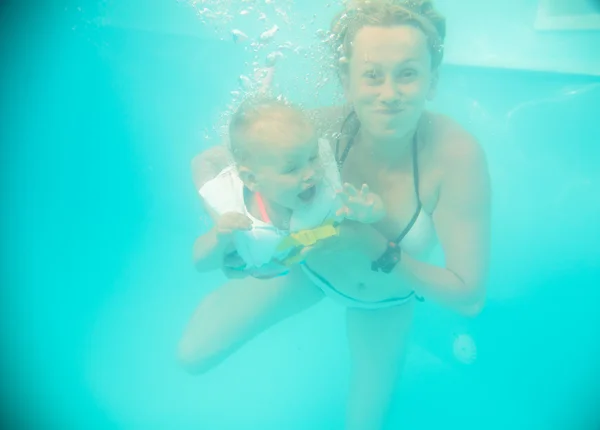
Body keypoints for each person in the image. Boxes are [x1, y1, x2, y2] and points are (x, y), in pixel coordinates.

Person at [178, 1, 491, 429]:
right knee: (192, 356)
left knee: (363, 425)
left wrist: (378, 247)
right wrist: (238, 235)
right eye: (371, 75)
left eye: (408, 73)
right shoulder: (319, 130)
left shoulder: (454, 156)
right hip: (306, 271)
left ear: (431, 80)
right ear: (346, 81)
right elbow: (217, 163)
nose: (389, 93)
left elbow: (468, 297)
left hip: (384, 302)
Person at [192, 96, 385, 279]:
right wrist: (220, 235)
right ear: (253, 180)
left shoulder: (326, 183)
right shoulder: (240, 220)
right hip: (220, 169)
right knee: (211, 166)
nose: (311, 172)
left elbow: (375, 211)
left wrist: (369, 212)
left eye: (312, 157)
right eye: (292, 169)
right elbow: (200, 262)